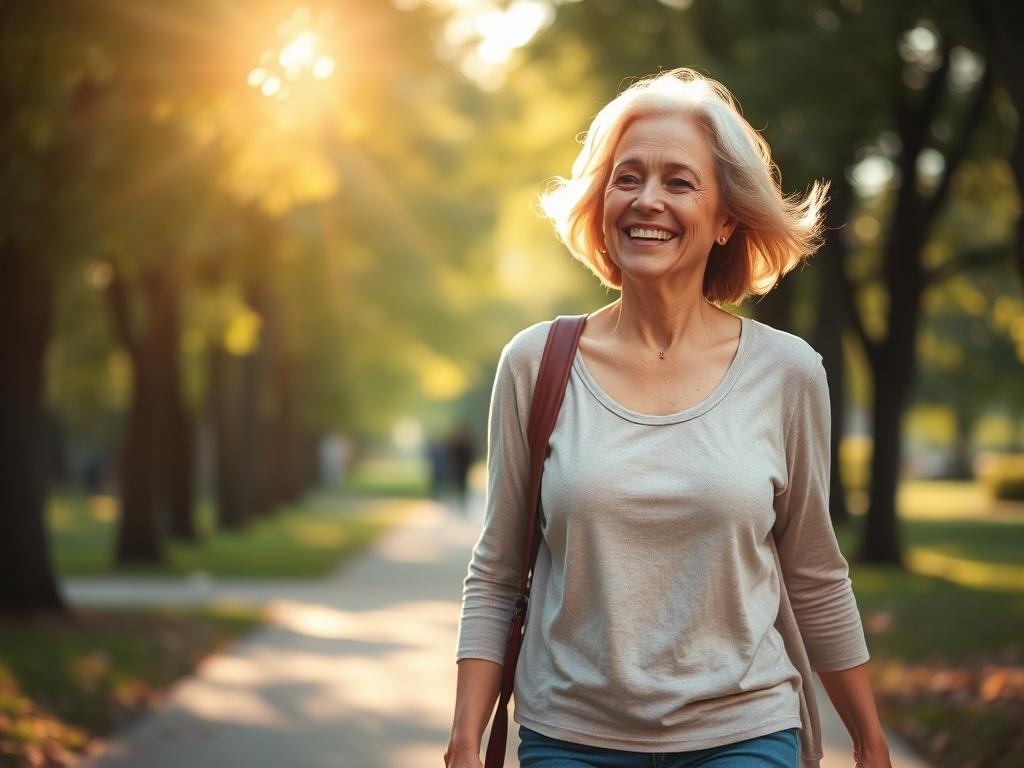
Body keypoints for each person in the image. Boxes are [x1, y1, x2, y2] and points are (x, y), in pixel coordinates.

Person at [445, 69, 892, 768]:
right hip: (571, 738)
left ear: (725, 219)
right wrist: (465, 737)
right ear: (601, 202)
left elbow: (814, 570)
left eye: (679, 182)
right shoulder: (536, 364)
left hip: (744, 732)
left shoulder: (789, 373)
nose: (646, 199)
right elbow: (498, 570)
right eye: (627, 177)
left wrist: (868, 742)